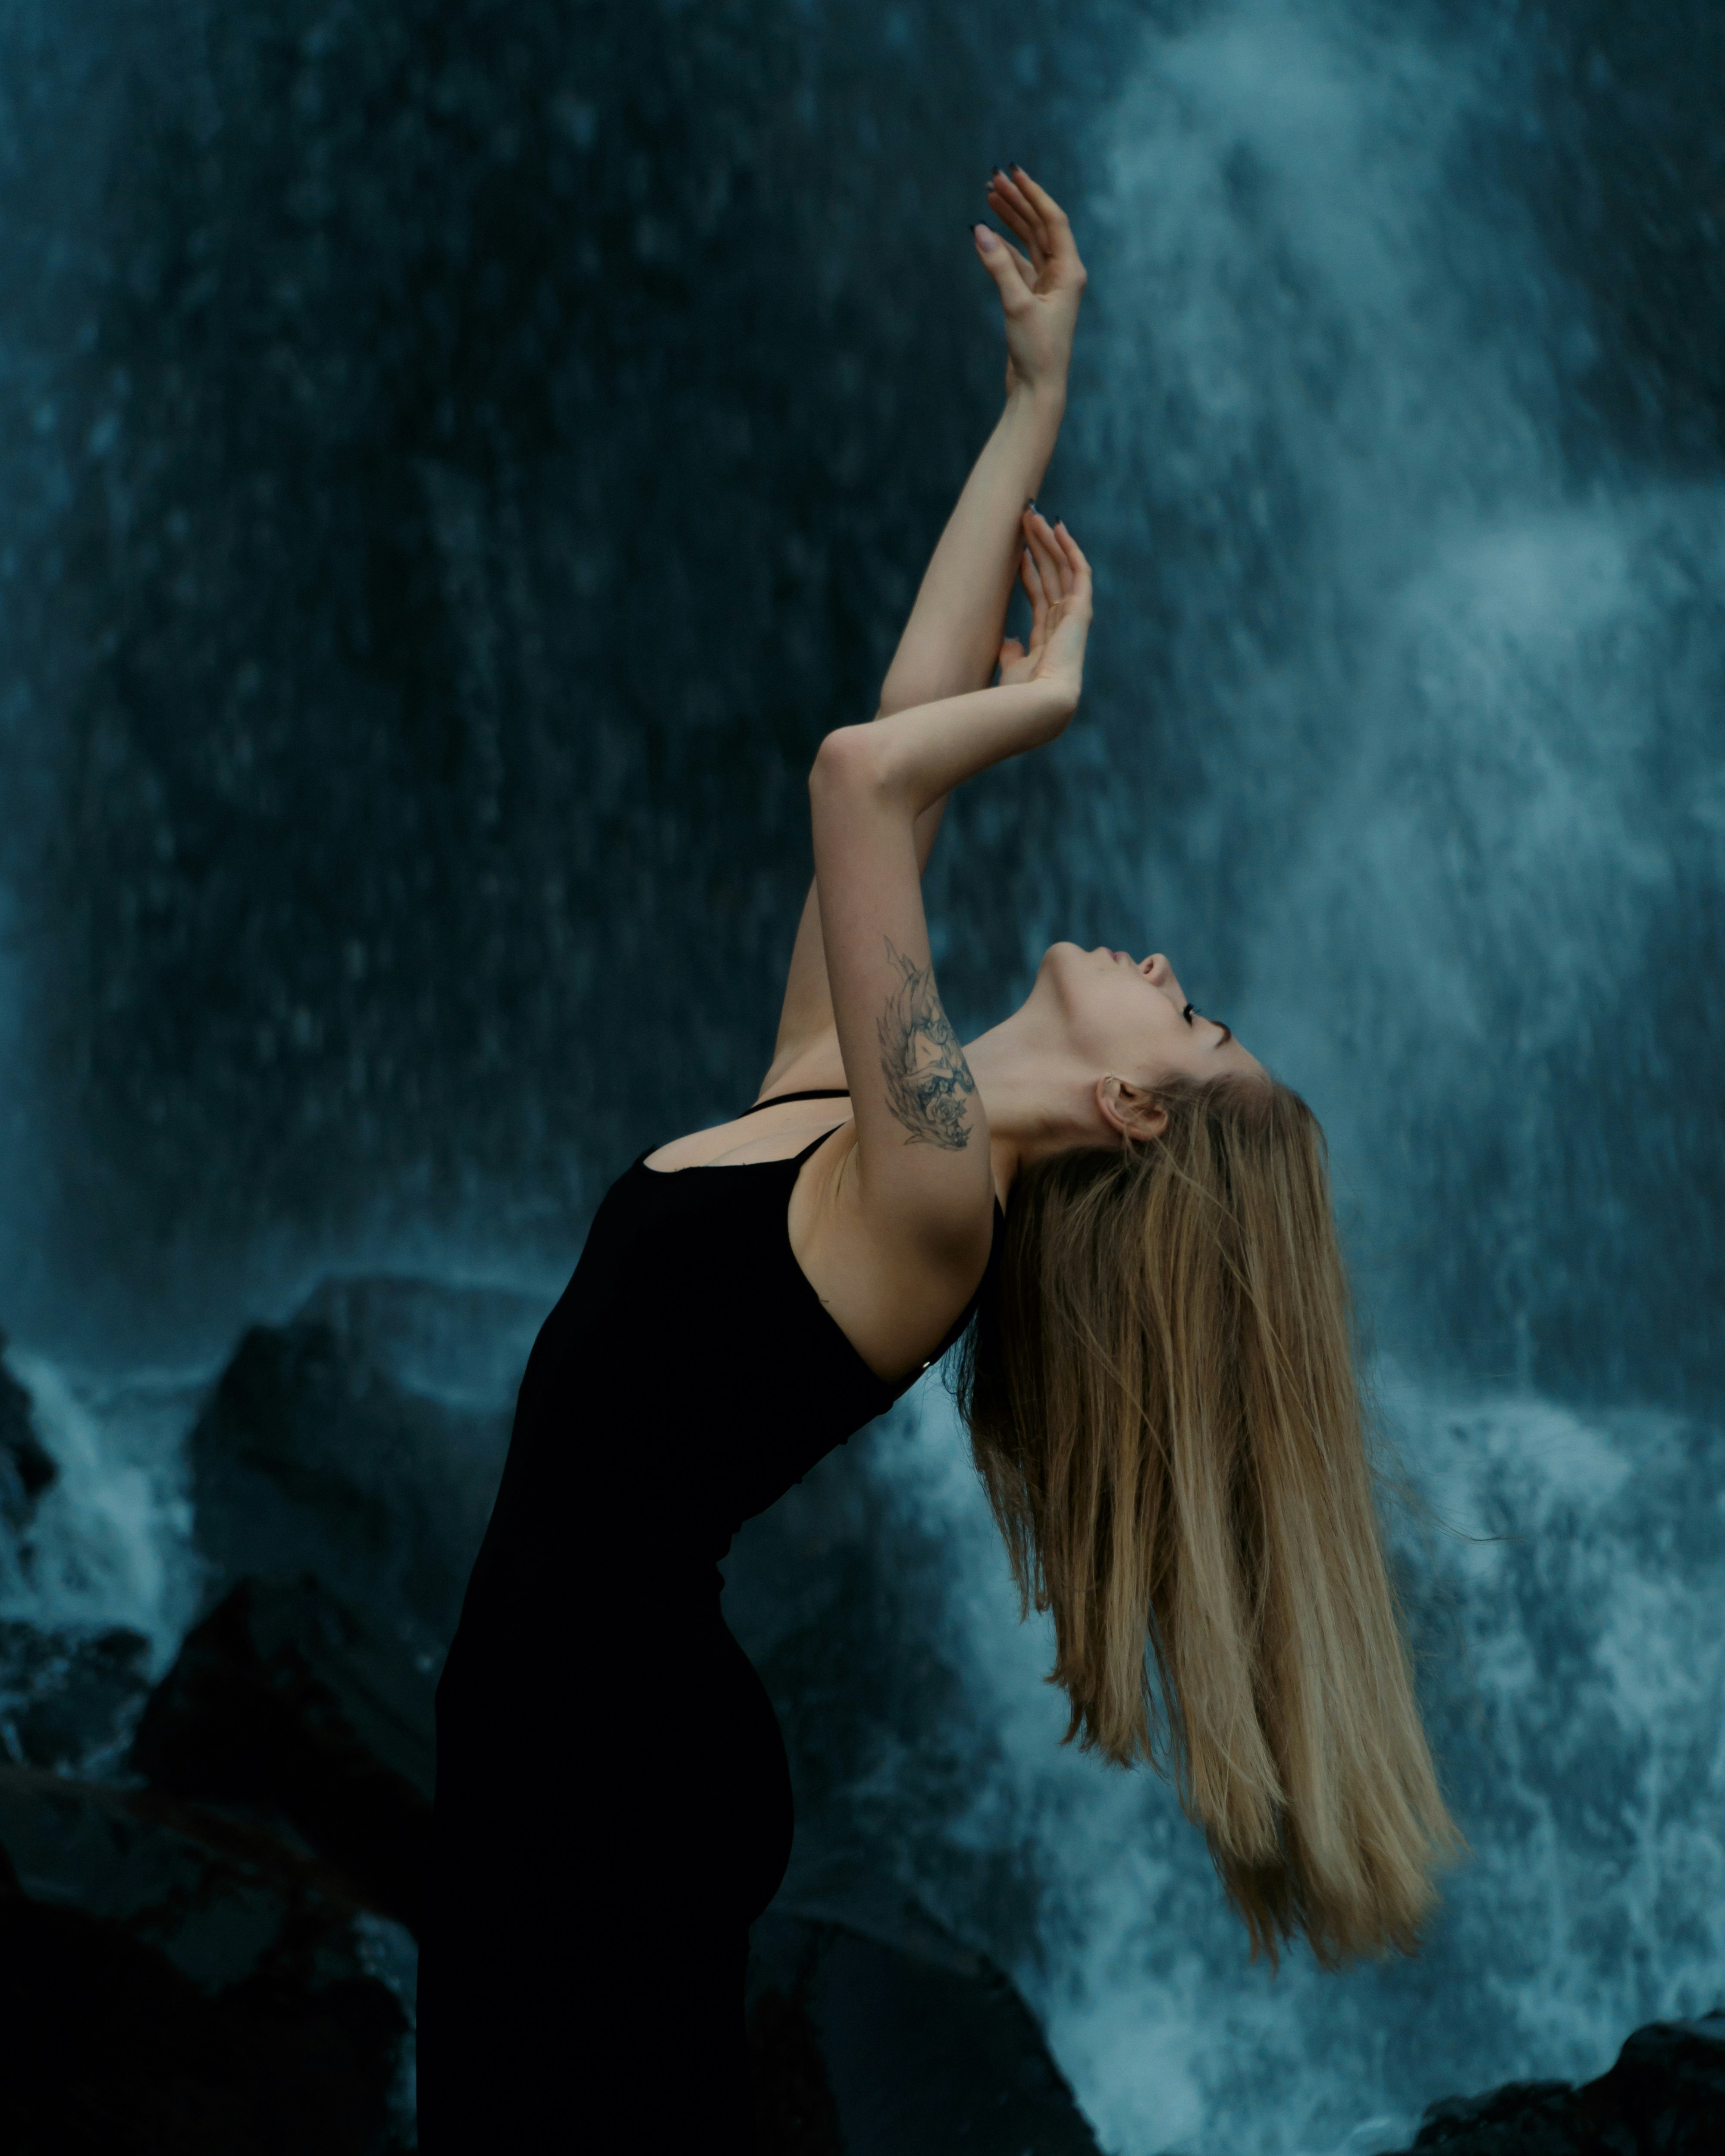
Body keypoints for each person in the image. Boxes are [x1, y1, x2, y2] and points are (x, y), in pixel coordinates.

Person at [416, 166, 1457, 2153]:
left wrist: (1042, 701)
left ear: (1141, 1109)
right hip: (559, 1746)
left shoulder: (933, 1213)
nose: (1171, 969)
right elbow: (891, 732)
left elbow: (855, 788)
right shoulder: (858, 1107)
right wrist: (1029, 403)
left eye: (1197, 1015)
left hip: (609, 1781)